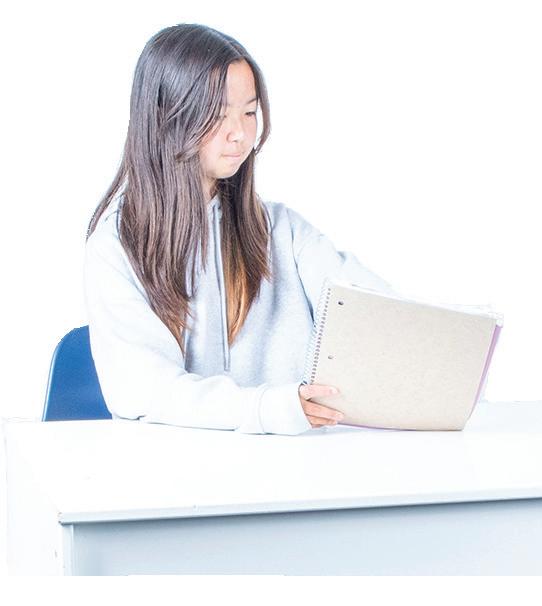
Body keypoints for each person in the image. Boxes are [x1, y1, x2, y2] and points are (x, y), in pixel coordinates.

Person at [84, 23, 397, 436]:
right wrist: (268, 408)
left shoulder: (282, 231)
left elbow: (381, 312)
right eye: (217, 116)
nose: (241, 134)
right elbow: (146, 391)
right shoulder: (116, 247)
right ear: (165, 117)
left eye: (249, 113)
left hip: (296, 463)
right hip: (176, 467)